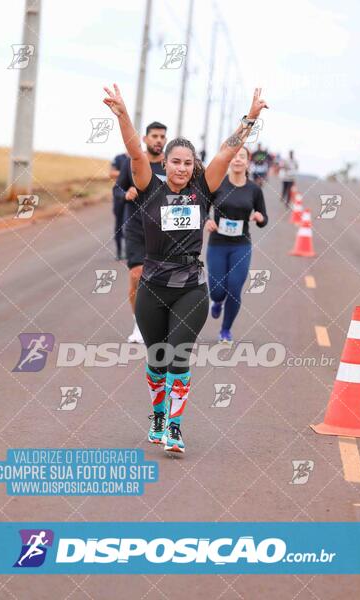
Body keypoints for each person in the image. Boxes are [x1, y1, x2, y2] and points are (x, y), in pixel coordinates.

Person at [103, 84, 268, 453]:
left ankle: (174, 428)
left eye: (187, 162)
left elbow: (227, 152)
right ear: (165, 164)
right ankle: (158, 416)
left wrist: (251, 117)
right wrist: (123, 116)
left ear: (195, 167)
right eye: (175, 162)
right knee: (156, 359)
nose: (180, 168)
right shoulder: (149, 187)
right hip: (152, 286)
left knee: (177, 355)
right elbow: (134, 150)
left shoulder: (203, 190)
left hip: (191, 286)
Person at [205, 146, 268, 343]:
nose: (238, 160)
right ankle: (216, 301)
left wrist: (259, 217)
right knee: (216, 290)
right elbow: (202, 209)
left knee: (234, 288)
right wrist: (207, 220)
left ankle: (225, 330)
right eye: (234, 156)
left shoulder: (254, 190)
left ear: (248, 162)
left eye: (242, 157)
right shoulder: (217, 185)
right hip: (217, 244)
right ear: (229, 160)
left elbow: (264, 217)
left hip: (241, 245)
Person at [114, 122, 167, 343]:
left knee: (159, 280)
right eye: (154, 136)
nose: (159, 140)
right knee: (137, 276)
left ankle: (159, 322)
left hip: (164, 231)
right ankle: (139, 324)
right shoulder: (133, 163)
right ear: (145, 139)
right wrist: (126, 193)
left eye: (162, 137)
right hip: (136, 227)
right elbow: (117, 188)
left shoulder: (169, 165)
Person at [110, 152, 129, 260]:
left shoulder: (140, 157)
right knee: (118, 224)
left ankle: (129, 250)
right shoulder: (118, 158)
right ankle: (118, 251)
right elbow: (111, 173)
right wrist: (126, 172)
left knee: (129, 223)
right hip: (119, 195)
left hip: (133, 197)